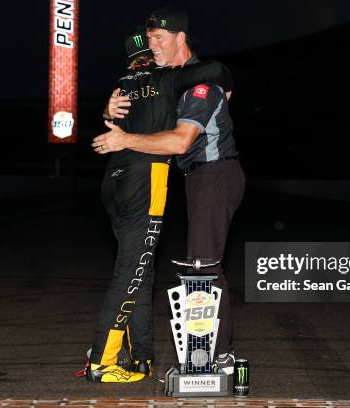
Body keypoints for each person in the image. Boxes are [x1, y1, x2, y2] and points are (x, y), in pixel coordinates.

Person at [93, 6, 244, 376]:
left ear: (180, 38)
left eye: (159, 39)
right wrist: (109, 109)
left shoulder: (202, 81)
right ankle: (213, 353)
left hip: (215, 173)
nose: (152, 46)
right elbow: (139, 98)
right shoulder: (173, 78)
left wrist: (123, 138)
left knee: (203, 268)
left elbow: (179, 141)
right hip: (197, 177)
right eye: (148, 40)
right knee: (205, 266)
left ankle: (214, 358)